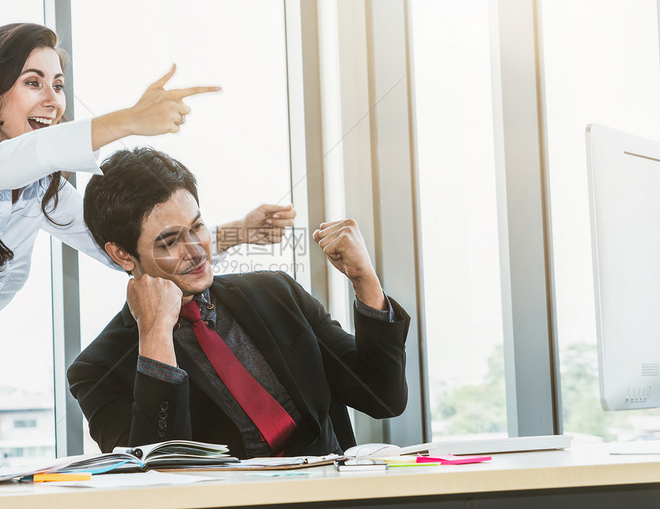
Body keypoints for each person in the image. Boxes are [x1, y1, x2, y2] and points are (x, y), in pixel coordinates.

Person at [0, 23, 293, 478]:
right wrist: (130, 119)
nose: (52, 99)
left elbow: (132, 247)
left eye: (58, 85)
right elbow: (2, 164)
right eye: (32, 83)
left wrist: (240, 232)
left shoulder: (42, 191)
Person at [68, 148, 410, 458]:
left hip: (328, 505)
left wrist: (364, 279)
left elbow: (382, 396)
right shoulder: (97, 369)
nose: (197, 249)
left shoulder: (276, 292)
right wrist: (156, 332)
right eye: (170, 241)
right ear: (122, 254)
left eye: (197, 226)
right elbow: (154, 475)